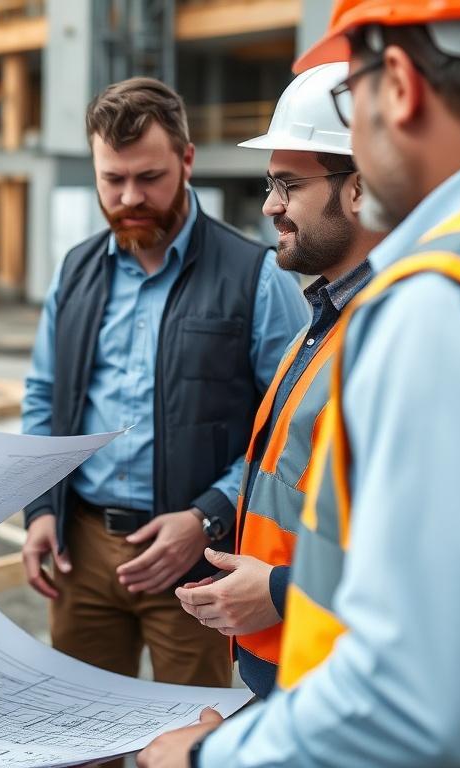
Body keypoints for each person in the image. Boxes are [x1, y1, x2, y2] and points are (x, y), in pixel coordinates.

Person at [137, 1, 460, 766]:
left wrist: (202, 759)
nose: (269, 206)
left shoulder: (453, 305)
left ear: (397, 83)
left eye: (352, 90)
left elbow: (406, 700)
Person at [20, 76, 308, 735]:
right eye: (111, 179)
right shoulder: (75, 270)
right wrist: (40, 511)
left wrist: (206, 520)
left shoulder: (256, 275)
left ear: (186, 160)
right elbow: (42, 399)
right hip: (82, 552)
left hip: (197, 568)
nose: (128, 198)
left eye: (147, 177)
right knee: (77, 740)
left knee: (184, 739)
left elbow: (289, 432)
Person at [174, 62, 382, 699]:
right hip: (282, 664)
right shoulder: (319, 324)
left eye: (288, 184)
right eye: (271, 184)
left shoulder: (391, 339)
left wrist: (278, 592)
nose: (270, 206)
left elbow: (430, 557)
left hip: (335, 679)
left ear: (361, 190)